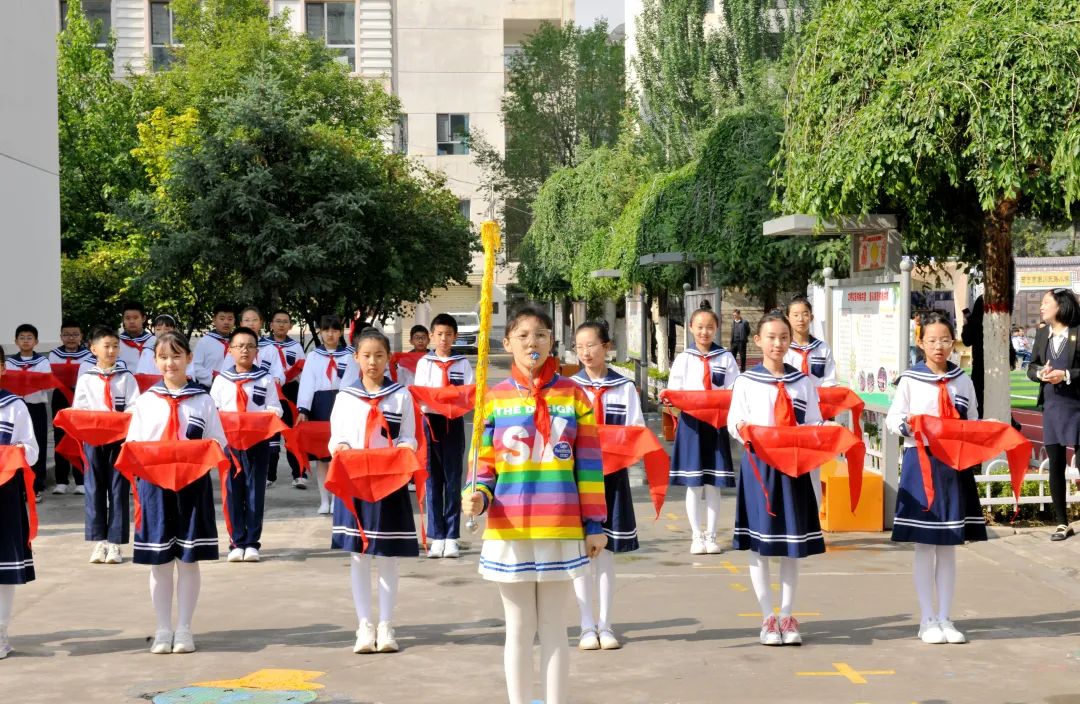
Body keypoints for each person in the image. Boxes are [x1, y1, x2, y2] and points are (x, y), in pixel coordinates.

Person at [463, 306, 605, 704]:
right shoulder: (492, 400)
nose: (532, 342)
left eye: (541, 334)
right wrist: (476, 496)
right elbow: (484, 465)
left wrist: (595, 523)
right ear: (507, 343)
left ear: (551, 342)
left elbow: (590, 465)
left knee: (556, 627)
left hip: (561, 525)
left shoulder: (574, 395)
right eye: (523, 335)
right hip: (511, 529)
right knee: (519, 627)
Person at [728, 312, 828, 646]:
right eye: (771, 337)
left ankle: (787, 615)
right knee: (761, 544)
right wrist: (748, 433)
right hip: (761, 469)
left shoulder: (802, 382)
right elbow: (735, 422)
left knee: (791, 546)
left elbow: (813, 421)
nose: (777, 343)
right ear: (757, 340)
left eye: (783, 337)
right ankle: (767, 617)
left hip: (795, 468)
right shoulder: (746, 381)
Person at [886, 312, 984, 644]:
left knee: (949, 547)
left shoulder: (963, 380)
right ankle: (926, 618)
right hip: (921, 463)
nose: (939, 346)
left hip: (953, 468)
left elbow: (972, 420)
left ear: (953, 341)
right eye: (932, 340)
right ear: (920, 342)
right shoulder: (911, 379)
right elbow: (893, 420)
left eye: (945, 339)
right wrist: (912, 427)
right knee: (925, 544)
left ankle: (946, 618)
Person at [125, 332, 226, 654]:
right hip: (154, 489)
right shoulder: (145, 401)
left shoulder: (203, 400)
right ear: (155, 361)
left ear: (188, 359)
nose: (171, 363)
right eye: (164, 357)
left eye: (177, 356)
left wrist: (193, 455)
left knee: (188, 559)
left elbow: (218, 443)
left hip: (192, 487)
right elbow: (132, 447)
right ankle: (162, 628)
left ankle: (184, 628)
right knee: (159, 561)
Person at [329, 328, 419, 654]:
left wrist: (403, 450)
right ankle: (364, 625)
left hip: (389, 482)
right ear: (355, 358)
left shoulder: (400, 395)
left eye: (379, 355)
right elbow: (335, 436)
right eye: (366, 355)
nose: (372, 362)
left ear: (388, 358)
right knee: (359, 554)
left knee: (388, 556)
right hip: (355, 482)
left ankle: (386, 624)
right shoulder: (346, 397)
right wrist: (339, 446)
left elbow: (410, 437)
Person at [569, 321, 642, 651]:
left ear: (607, 346)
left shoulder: (624, 388)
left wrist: (615, 453)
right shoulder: (568, 388)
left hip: (613, 480)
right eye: (579, 347)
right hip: (576, 481)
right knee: (582, 554)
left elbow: (636, 431)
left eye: (591, 345)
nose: (585, 352)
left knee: (608, 554)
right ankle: (586, 624)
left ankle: (606, 624)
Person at [665, 304, 740, 554]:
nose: (704, 332)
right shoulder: (684, 358)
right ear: (690, 328)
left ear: (717, 329)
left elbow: (735, 390)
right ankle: (696, 536)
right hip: (692, 426)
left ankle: (712, 535)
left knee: (713, 485)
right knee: (694, 484)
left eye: (709, 327)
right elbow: (674, 390)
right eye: (700, 327)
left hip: (716, 425)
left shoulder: (726, 358)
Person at [210, 327, 283, 563]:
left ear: (256, 351)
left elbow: (276, 408)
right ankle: (236, 542)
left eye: (250, 346)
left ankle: (252, 543)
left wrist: (263, 416)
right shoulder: (222, 381)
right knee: (232, 492)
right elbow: (213, 412)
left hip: (257, 442)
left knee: (255, 492)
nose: (245, 350)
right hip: (230, 445)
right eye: (239, 346)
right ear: (230, 351)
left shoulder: (264, 378)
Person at [72, 326, 140, 565]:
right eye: (106, 346)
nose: (111, 351)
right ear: (93, 349)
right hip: (93, 440)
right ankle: (99, 541)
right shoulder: (86, 379)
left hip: (119, 441)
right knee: (94, 488)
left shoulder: (126, 377)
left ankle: (115, 544)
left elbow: (134, 407)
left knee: (118, 489)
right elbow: (79, 408)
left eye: (115, 346)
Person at [413, 313, 474, 559]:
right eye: (439, 334)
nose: (444, 339)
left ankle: (451, 536)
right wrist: (444, 397)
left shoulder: (462, 364)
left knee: (452, 480)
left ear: (455, 337)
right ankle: (436, 536)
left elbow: (467, 394)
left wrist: (446, 398)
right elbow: (422, 395)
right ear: (431, 336)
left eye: (449, 335)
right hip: (430, 424)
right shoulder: (424, 363)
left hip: (453, 423)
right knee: (433, 480)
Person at [1027, 288, 1080, 541]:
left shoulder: (1078, 332)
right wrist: (1039, 374)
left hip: (1077, 405)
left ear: (1061, 306)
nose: (1041, 307)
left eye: (1046, 303)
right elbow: (1032, 367)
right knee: (1055, 465)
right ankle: (1062, 522)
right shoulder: (1041, 334)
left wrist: (1067, 374)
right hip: (1052, 406)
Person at [0, 345, 40, 660]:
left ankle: (0, 633)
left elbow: (32, 449)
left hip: (6, 493)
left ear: (2, 368)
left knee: (4, 568)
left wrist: (12, 453)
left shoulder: (14, 406)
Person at [297, 315, 357, 514]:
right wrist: (303, 409)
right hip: (320, 406)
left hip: (343, 403)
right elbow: (307, 383)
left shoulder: (350, 356)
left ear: (341, 332)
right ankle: (324, 499)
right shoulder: (314, 357)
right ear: (321, 333)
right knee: (322, 456)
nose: (330, 334)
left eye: (334, 330)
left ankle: (339, 500)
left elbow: (351, 382)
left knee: (340, 453)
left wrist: (349, 405)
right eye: (326, 330)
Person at [230, 307, 285, 489]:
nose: (251, 323)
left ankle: (269, 474)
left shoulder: (269, 349)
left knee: (268, 447)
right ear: (240, 324)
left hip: (263, 401)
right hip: (236, 420)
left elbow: (278, 371)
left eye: (254, 320)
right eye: (246, 320)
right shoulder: (233, 350)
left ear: (261, 323)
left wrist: (276, 379)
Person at [49, 319, 93, 495]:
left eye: (75, 334)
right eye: (66, 334)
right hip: (60, 396)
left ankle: (80, 480)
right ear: (61, 337)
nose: (71, 338)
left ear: (81, 336)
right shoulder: (53, 354)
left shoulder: (89, 356)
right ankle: (61, 481)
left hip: (80, 396)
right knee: (60, 436)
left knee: (79, 437)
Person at [8, 324, 50, 503]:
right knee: (15, 446)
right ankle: (18, 485)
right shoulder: (9, 363)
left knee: (37, 444)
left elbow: (46, 382)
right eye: (22, 338)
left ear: (36, 341)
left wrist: (27, 381)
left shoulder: (42, 362)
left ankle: (36, 486)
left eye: (29, 338)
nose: (26, 341)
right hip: (15, 408)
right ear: (16, 341)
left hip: (35, 408)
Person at [267, 310, 306, 489]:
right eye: (278, 321)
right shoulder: (262, 346)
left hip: (291, 391)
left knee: (293, 434)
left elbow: (303, 370)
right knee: (271, 433)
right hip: (270, 391)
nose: (281, 324)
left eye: (285, 322)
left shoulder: (296, 347)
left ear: (290, 326)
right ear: (271, 325)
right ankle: (269, 475)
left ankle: (299, 474)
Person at [784, 298, 836, 387]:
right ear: (788, 319)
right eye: (795, 315)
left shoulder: (823, 348)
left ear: (811, 317)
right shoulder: (783, 348)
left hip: (819, 397)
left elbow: (829, 379)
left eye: (805, 314)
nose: (800, 319)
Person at [191, 303, 236, 389]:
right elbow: (195, 366)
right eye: (222, 319)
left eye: (230, 319)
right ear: (214, 320)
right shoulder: (205, 342)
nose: (226, 322)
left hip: (233, 388)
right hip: (209, 388)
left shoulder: (236, 342)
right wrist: (213, 378)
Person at [118, 302, 156, 371]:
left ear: (143, 319)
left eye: (135, 318)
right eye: (127, 318)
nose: (131, 321)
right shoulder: (116, 343)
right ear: (123, 319)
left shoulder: (154, 342)